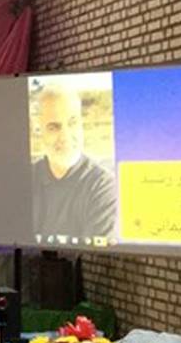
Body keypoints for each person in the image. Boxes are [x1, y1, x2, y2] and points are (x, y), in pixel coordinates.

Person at [30, 85, 117, 241]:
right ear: (40, 131)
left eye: (72, 123)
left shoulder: (102, 186)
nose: (65, 136)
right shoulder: (24, 180)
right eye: (53, 127)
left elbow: (96, 251)